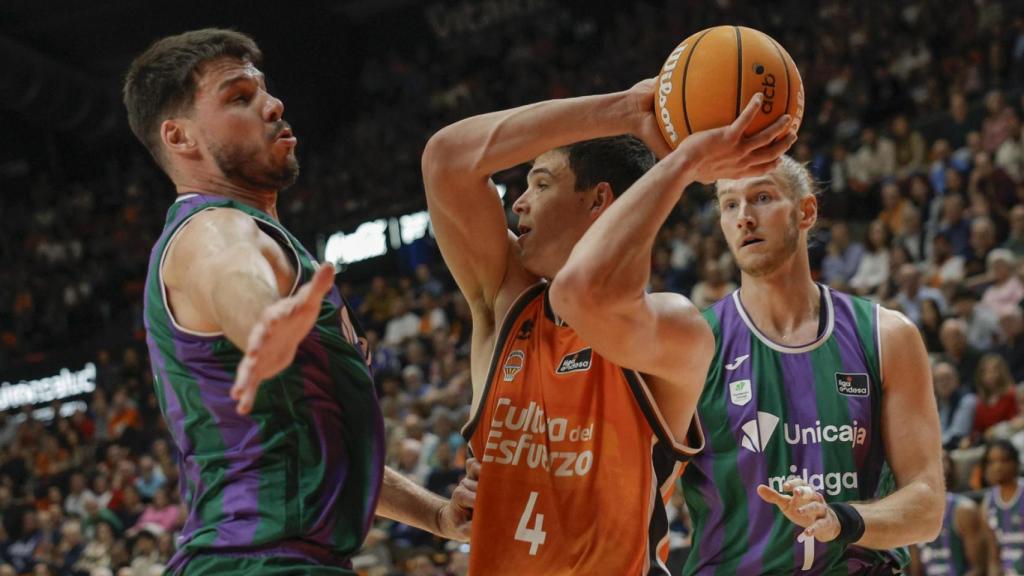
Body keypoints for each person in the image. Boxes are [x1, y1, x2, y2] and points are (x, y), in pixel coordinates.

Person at [123, 29, 473, 573]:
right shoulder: (211, 231)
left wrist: (437, 516)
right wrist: (261, 322)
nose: (273, 104)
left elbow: (319, 449)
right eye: (239, 97)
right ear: (180, 137)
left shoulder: (261, 236)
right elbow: (232, 278)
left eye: (264, 91)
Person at [422, 79, 794, 573]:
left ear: (598, 200)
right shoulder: (507, 305)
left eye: (541, 183)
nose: (519, 203)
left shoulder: (675, 327)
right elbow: (446, 157)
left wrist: (680, 164)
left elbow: (583, 293)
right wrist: (626, 110)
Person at [677, 156, 943, 573]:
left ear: (806, 211)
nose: (744, 217)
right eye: (730, 205)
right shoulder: (693, 345)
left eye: (761, 197)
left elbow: (926, 506)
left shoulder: (886, 335)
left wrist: (839, 520)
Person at [910, 452, 983, 576]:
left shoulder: (964, 510)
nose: (935, 466)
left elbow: (978, 569)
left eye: (941, 460)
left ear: (951, 467)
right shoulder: (913, 515)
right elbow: (915, 571)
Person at [981, 439, 1024, 575]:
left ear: (1016, 462)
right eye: (991, 462)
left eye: (1004, 460)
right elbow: (994, 557)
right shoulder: (987, 503)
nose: (997, 467)